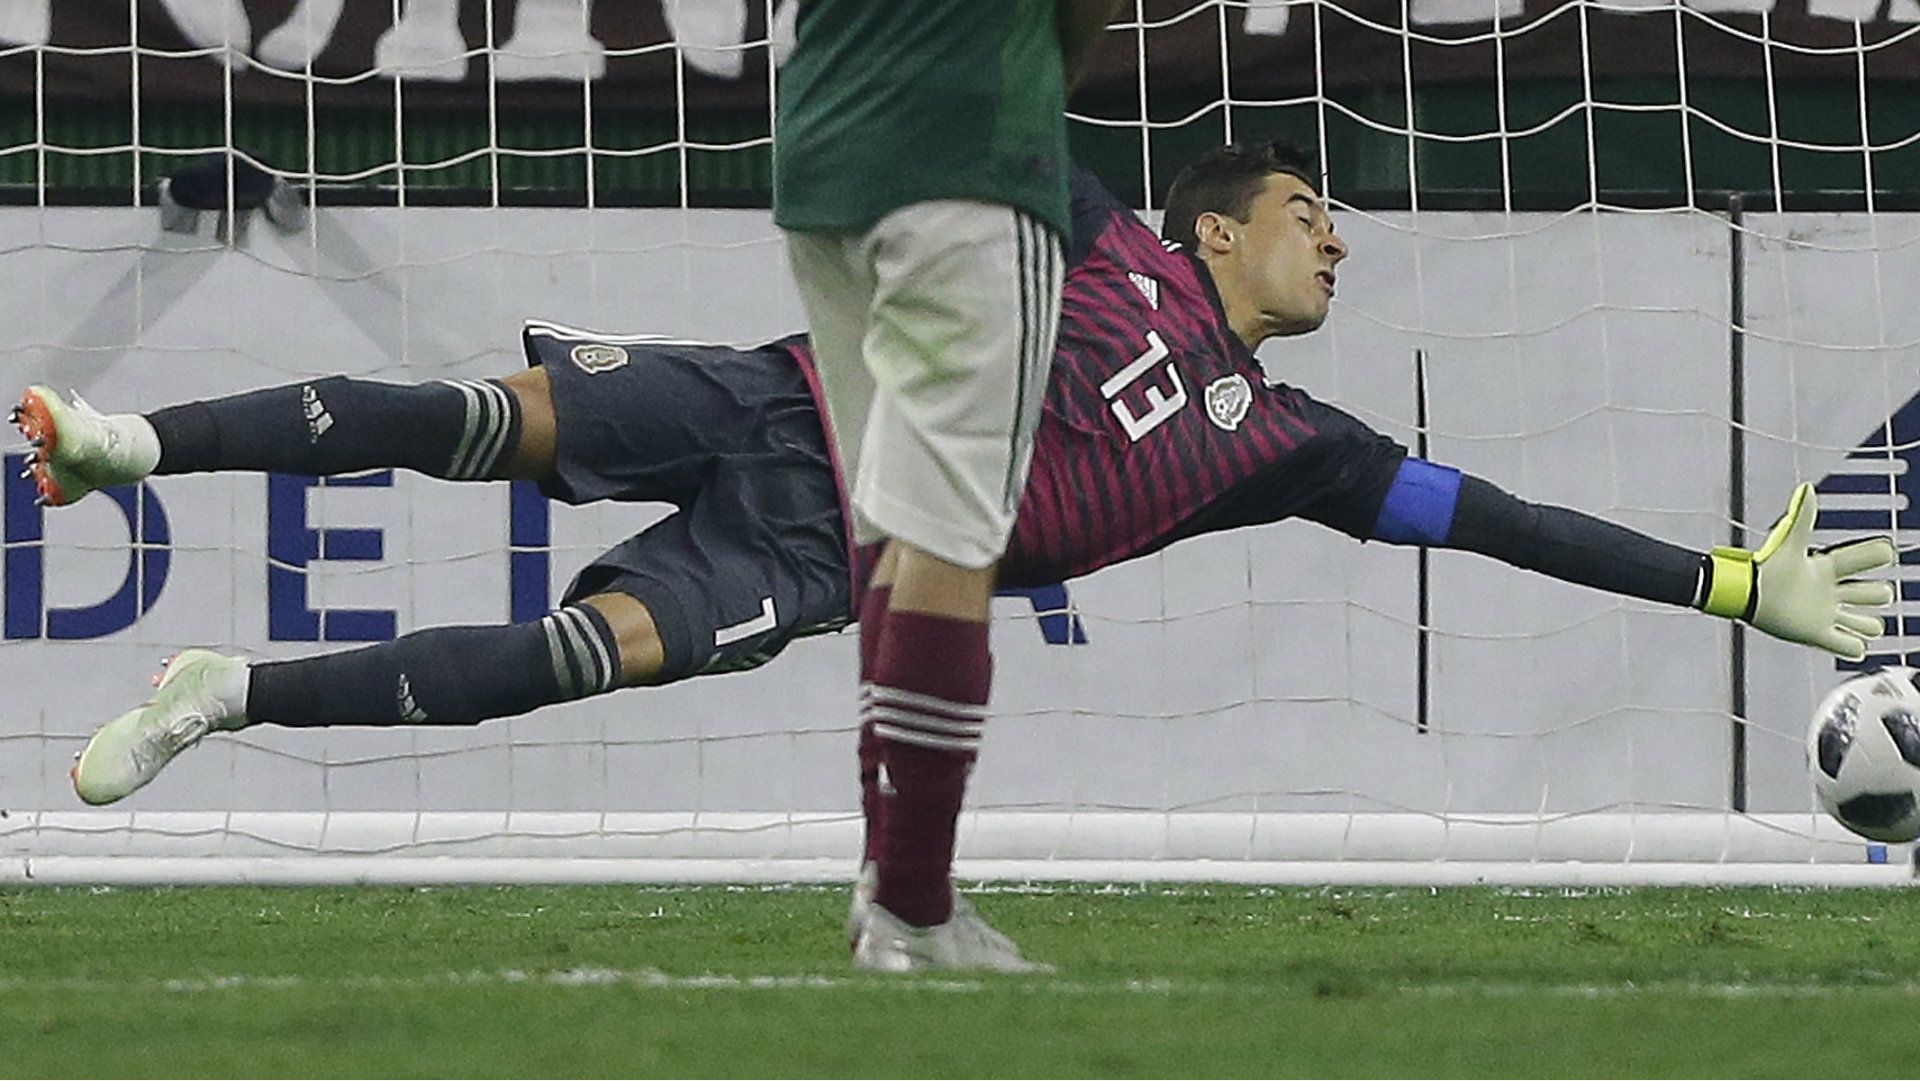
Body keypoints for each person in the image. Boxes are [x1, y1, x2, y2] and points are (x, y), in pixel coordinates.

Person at [17, 142, 1895, 960]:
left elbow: (1499, 526)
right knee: (474, 417)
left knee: (565, 662)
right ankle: (128, 440)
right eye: (1312, 218)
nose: (1341, 248)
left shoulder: (1297, 451)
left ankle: (226, 694)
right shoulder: (1096, 239)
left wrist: (1727, 584)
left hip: (832, 558)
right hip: (777, 402)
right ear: (1213, 230)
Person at [771, 0, 1123, 972]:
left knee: (890, 524)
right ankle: (914, 908)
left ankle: (889, 880)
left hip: (824, 151)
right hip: (968, 157)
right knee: (953, 534)